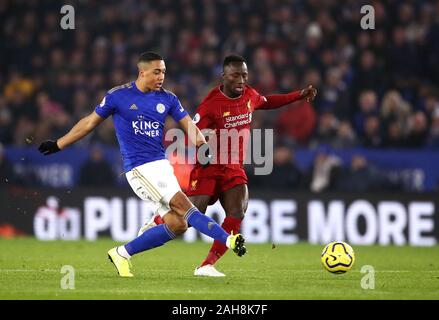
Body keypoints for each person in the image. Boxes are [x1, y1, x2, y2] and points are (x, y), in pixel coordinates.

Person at [38, 52, 246, 277]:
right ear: (142, 72)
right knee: (187, 209)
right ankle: (229, 239)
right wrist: (59, 144)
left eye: (164, 72)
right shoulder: (118, 96)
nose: (161, 77)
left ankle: (122, 253)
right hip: (140, 168)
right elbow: (89, 123)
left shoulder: (168, 98)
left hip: (162, 166)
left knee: (178, 225)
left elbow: (189, 127)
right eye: (156, 72)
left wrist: (202, 144)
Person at [139, 55, 317, 277]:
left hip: (233, 168)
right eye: (235, 75)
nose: (241, 80)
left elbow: (268, 101)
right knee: (193, 215)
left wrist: (297, 96)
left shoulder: (250, 95)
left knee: (237, 211)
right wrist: (204, 144)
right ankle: (157, 220)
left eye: (244, 75)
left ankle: (207, 265)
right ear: (223, 77)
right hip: (209, 167)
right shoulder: (210, 104)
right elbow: (193, 132)